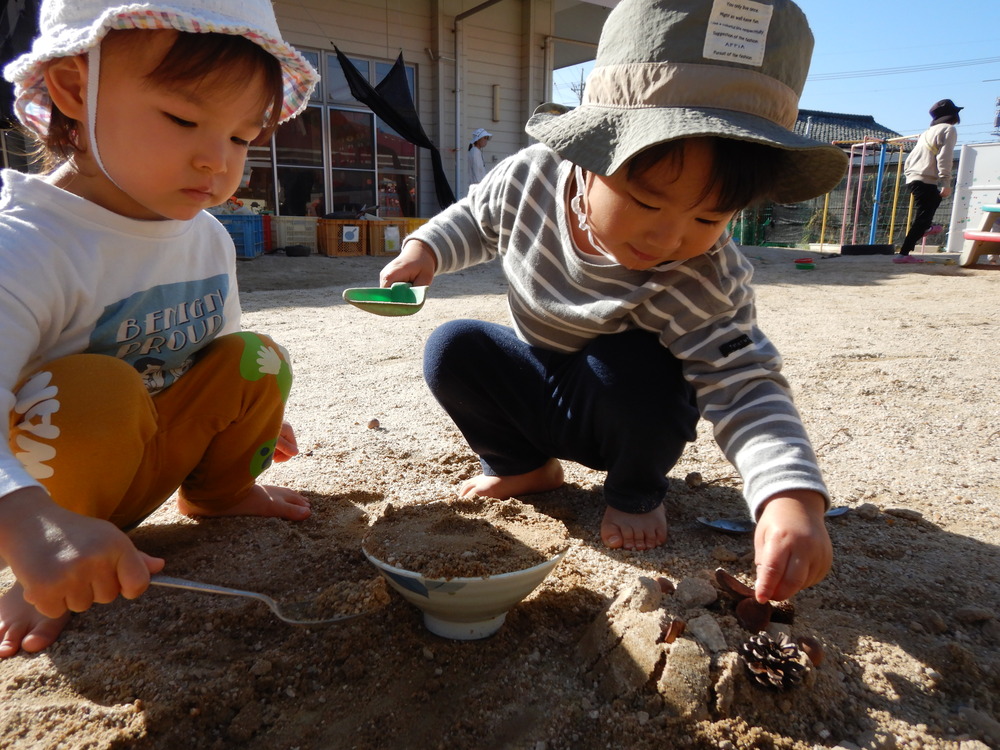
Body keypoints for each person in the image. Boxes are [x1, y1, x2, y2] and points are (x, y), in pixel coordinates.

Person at [380, 0, 848, 604]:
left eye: (709, 216)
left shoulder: (705, 273)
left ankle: (634, 491)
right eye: (649, 202)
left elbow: (743, 381)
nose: (668, 238)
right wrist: (425, 251)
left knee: (638, 366)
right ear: (590, 152)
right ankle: (522, 463)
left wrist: (790, 495)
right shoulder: (531, 177)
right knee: (455, 347)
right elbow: (477, 217)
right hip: (544, 375)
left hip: (626, 409)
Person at [0, 0, 320, 657]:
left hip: (152, 454)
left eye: (241, 137)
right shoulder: (26, 243)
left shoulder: (203, 236)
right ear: (73, 88)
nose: (217, 161)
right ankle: (54, 567)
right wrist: (31, 524)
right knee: (95, 392)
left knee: (258, 357)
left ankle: (221, 494)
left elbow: (215, 353)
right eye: (182, 119)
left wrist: (246, 419)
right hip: (51, 495)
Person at [895, 98, 962, 263]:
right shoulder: (949, 130)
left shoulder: (926, 132)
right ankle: (903, 254)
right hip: (924, 178)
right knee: (924, 215)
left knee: (931, 204)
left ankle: (925, 228)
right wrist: (946, 182)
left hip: (912, 175)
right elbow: (945, 157)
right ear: (953, 115)